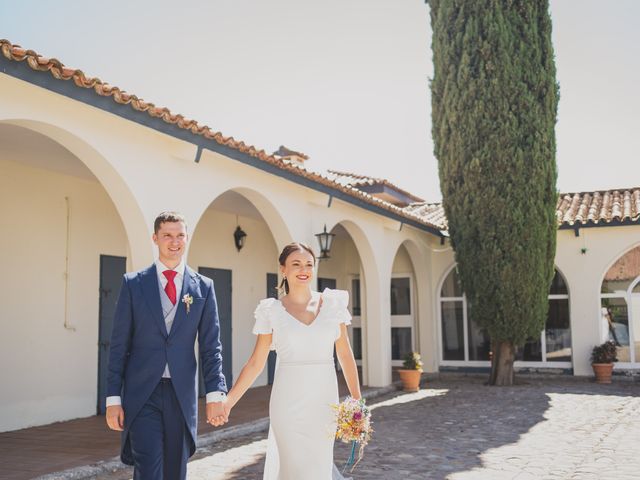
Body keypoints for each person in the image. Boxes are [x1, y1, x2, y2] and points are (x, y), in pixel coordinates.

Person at [105, 211, 228, 480]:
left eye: (180, 235)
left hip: (181, 395)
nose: (175, 241)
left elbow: (211, 347)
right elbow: (118, 346)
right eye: (168, 236)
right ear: (155, 238)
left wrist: (216, 394)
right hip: (142, 395)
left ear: (187, 238)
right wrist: (113, 398)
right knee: (148, 469)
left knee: (175, 471)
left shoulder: (203, 288)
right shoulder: (133, 284)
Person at [224, 242, 362, 480]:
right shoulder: (271, 310)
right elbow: (256, 362)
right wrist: (228, 402)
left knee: (319, 468)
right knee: (292, 469)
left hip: (324, 402)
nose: (303, 269)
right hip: (287, 405)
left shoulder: (332, 304)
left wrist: (357, 402)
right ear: (283, 269)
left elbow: (345, 354)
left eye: (309, 264)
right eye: (296, 264)